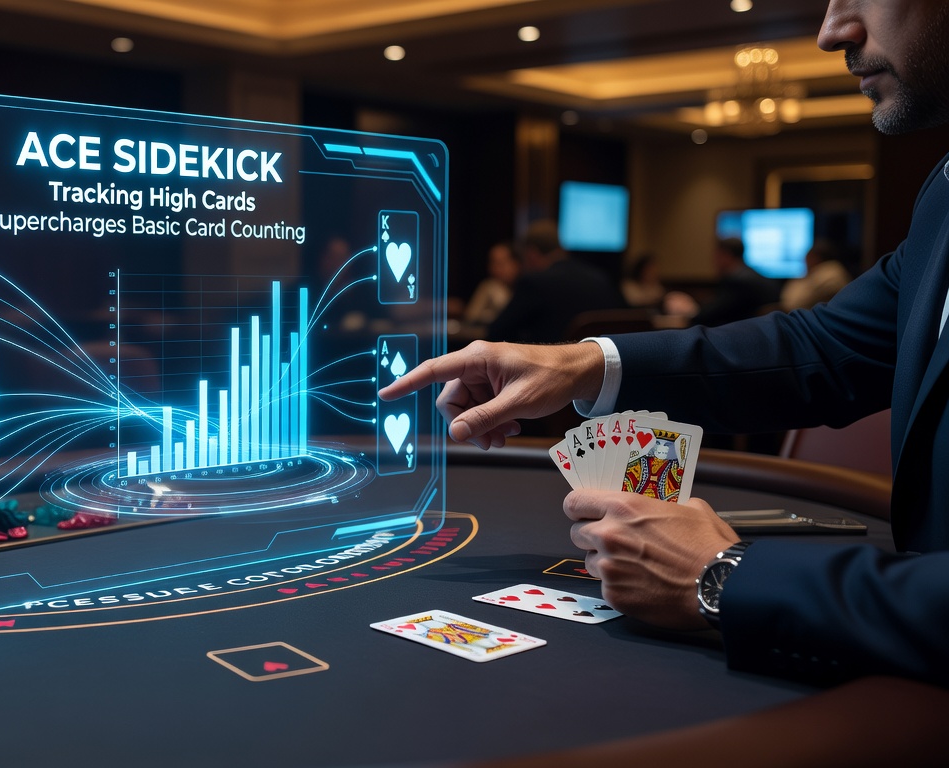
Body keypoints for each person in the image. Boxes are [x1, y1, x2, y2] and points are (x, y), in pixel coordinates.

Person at [381, 0, 949, 689]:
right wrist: (586, 364)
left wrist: (727, 577)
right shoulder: (943, 194)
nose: (832, 30)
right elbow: (824, 345)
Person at [486, 220, 624, 343]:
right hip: (600, 366)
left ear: (531, 253)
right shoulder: (600, 278)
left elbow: (497, 332)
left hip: (552, 366)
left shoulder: (534, 283)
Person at [663, 237, 780, 326]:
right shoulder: (755, 276)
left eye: (716, 256)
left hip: (742, 338)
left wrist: (690, 310)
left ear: (726, 256)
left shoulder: (738, 281)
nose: (713, 261)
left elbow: (710, 315)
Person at [781, 240, 853, 311]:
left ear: (815, 258)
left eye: (807, 258)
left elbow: (792, 304)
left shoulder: (829, 275)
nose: (805, 262)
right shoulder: (830, 271)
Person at [463, 242, 519, 326]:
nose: (495, 269)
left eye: (501, 264)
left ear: (516, 264)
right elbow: (471, 316)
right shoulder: (488, 286)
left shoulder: (526, 286)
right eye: (492, 263)